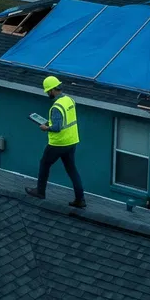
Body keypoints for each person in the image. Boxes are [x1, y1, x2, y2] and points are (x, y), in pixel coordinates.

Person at [27, 75, 86, 208]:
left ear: (53, 90)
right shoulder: (69, 100)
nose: (48, 93)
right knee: (72, 169)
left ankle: (40, 192)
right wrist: (51, 123)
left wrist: (45, 127)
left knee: (44, 164)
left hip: (58, 143)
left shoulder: (56, 107)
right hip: (72, 141)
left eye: (48, 91)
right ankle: (80, 199)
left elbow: (57, 127)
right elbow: (66, 121)